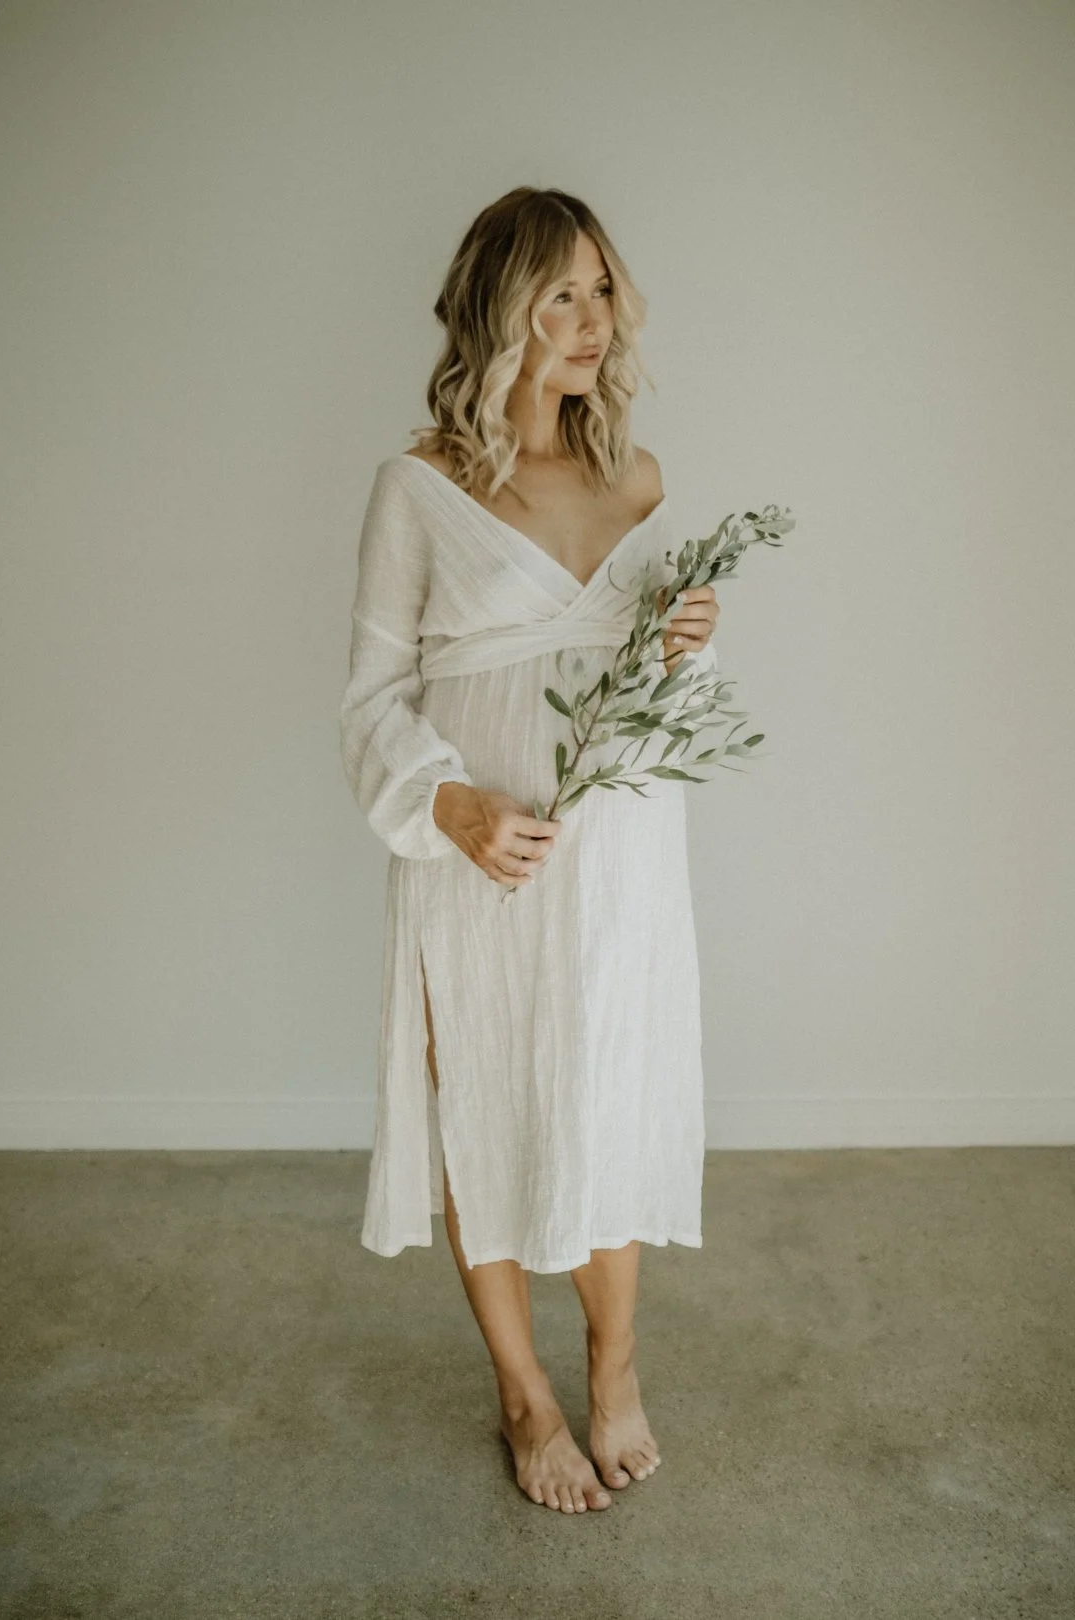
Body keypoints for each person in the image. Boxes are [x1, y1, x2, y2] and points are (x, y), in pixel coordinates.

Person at [339, 186, 719, 1514]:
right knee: (486, 1102)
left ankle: (615, 1366)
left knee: (607, 1091)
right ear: (499, 308)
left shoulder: (643, 479)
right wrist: (454, 811)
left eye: (603, 290)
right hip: (478, 860)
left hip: (620, 857)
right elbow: (371, 703)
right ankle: (524, 1393)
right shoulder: (421, 488)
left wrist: (683, 646)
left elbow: (654, 708)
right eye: (559, 293)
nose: (590, 322)